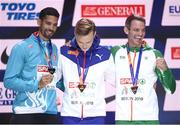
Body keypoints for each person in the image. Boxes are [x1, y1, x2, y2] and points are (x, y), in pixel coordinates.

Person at [111, 14, 176, 124]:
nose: (140, 34)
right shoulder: (115, 52)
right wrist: (72, 45)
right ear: (126, 30)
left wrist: (166, 71)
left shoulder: (154, 54)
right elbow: (90, 51)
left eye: (143, 30)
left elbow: (170, 89)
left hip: (148, 120)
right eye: (136, 30)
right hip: (123, 120)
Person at [3, 7, 62, 124]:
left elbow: (55, 79)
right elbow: (9, 81)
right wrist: (37, 84)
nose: (51, 28)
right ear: (39, 22)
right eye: (48, 23)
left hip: (50, 113)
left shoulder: (54, 49)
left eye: (55, 25)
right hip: (26, 112)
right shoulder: (22, 47)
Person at [57, 18, 115, 124]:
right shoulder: (64, 52)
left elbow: (116, 81)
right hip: (70, 115)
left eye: (88, 41)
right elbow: (54, 78)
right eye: (80, 42)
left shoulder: (105, 54)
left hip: (96, 116)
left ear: (94, 34)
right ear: (75, 34)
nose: (84, 46)